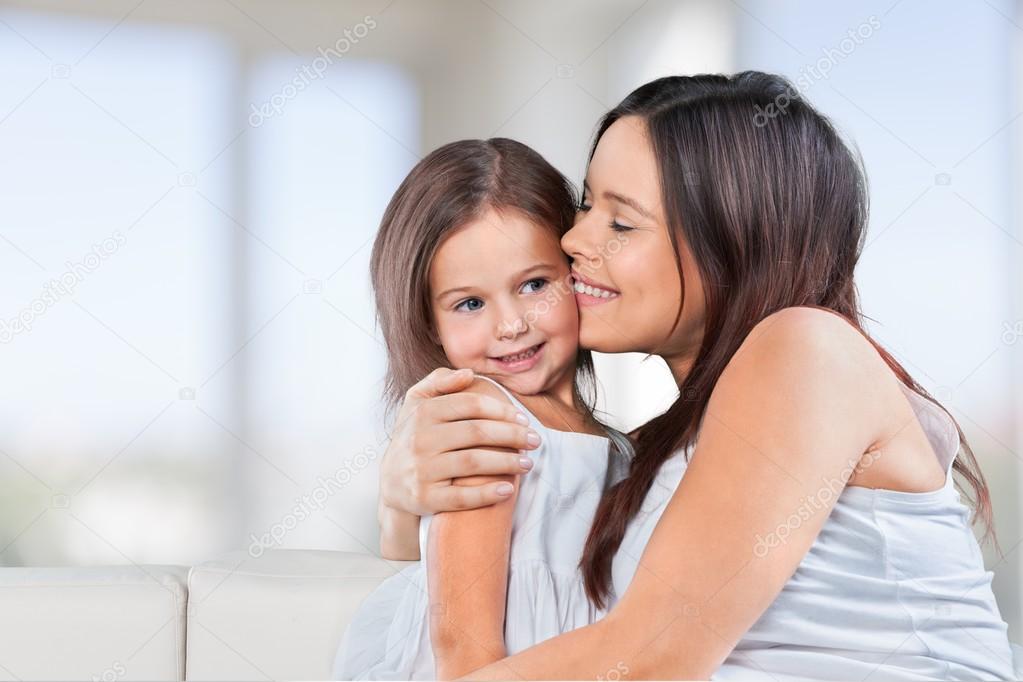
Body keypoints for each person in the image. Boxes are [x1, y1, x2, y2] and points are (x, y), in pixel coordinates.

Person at [373, 72, 1015, 679]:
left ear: (734, 240)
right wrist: (402, 503)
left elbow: (651, 657)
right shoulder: (669, 448)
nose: (573, 241)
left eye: (621, 222)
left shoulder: (806, 350)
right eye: (586, 204)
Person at [332, 138, 631, 680]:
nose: (511, 324)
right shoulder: (483, 422)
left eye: (535, 284)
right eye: (470, 303)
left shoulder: (621, 448)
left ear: (578, 275)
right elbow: (463, 648)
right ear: (430, 324)